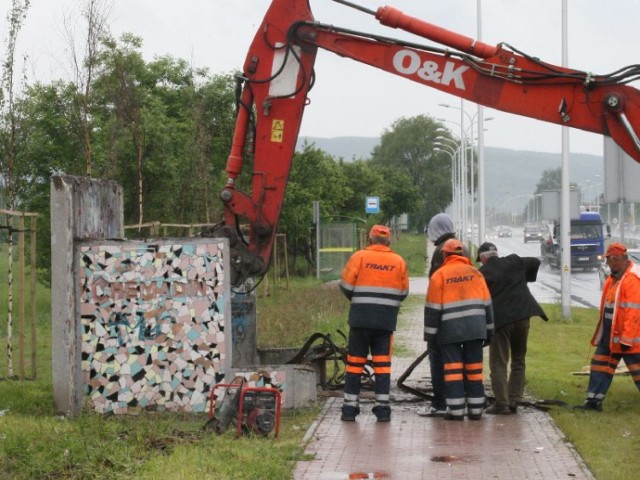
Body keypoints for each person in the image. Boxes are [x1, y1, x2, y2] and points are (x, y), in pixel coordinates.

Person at [339, 224, 409, 422]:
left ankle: (349, 410)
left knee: (354, 365)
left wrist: (359, 300)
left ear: (369, 239)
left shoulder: (359, 257)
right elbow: (403, 293)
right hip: (385, 321)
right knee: (383, 366)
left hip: (360, 319)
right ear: (389, 241)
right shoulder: (398, 261)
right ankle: (383, 409)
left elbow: (345, 285)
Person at [424, 238, 494, 420]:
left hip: (450, 331)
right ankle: (476, 410)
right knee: (474, 370)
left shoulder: (439, 275)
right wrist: (489, 331)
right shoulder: (476, 274)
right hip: (476, 329)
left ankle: (455, 411)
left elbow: (433, 309)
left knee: (453, 371)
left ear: (445, 254)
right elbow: (487, 304)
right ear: (462, 254)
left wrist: (430, 337)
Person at [477, 242, 548, 415]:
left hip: (501, 321)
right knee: (518, 360)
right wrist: (525, 278)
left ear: (483, 258)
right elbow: (535, 262)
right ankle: (515, 399)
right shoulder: (515, 262)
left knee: (499, 362)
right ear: (496, 253)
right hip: (523, 316)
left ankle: (502, 403)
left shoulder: (481, 274)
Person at [579, 242, 640, 411]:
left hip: (628, 341)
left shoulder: (632, 280)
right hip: (611, 338)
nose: (607, 263)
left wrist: (627, 340)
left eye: (609, 259)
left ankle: (593, 401)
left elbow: (633, 313)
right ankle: (593, 402)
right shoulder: (612, 279)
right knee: (599, 366)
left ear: (618, 259)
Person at [416, 213, 458, 417]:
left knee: (437, 358)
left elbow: (435, 285)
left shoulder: (440, 251)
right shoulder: (461, 247)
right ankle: (458, 400)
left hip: (443, 314)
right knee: (457, 361)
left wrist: (431, 328)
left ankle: (440, 402)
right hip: (462, 315)